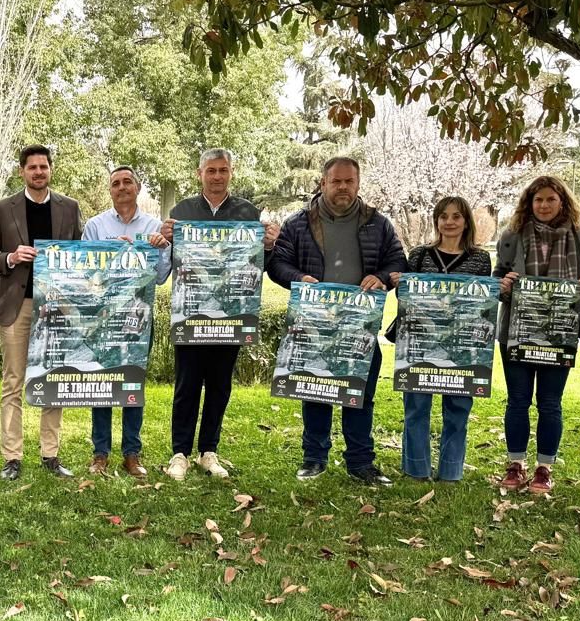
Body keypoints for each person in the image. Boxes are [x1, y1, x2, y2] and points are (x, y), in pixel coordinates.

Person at [269, 156, 408, 486]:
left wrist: (382, 276)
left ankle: (361, 462)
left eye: (349, 181)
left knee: (361, 395)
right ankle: (314, 459)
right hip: (315, 323)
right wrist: (298, 277)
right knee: (315, 389)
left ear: (358, 184)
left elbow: (397, 259)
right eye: (336, 181)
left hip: (361, 324)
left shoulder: (378, 222)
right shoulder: (299, 223)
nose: (343, 187)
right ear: (323, 183)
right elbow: (277, 263)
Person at [159, 149, 280, 480]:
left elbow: (261, 268)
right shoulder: (181, 211)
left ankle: (208, 452)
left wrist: (268, 245)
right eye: (211, 171)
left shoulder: (248, 212)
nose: (217, 176)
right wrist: (166, 239)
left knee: (219, 385)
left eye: (222, 170)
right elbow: (170, 263)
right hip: (192, 314)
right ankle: (179, 453)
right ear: (200, 174)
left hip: (231, 316)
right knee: (187, 385)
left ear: (231, 172)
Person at [494, 175, 580, 495]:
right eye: (537, 200)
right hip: (516, 330)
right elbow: (497, 277)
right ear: (529, 203)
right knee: (517, 400)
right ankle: (515, 463)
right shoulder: (512, 236)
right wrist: (503, 284)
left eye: (550, 199)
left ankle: (544, 468)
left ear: (562, 202)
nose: (543, 205)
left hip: (560, 334)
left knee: (550, 403)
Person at [0, 144, 84, 480]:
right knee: (13, 381)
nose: (38, 172)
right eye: (32, 167)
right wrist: (11, 257)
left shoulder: (69, 208)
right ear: (22, 171)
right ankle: (12, 457)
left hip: (55, 308)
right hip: (18, 305)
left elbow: (79, 255)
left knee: (53, 380)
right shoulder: (3, 208)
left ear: (50, 169)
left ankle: (50, 454)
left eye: (44, 167)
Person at [394, 196, 493, 483]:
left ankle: (451, 470)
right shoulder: (419, 255)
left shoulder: (480, 258)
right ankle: (416, 468)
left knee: (458, 409)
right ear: (436, 220)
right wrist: (402, 285)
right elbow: (405, 298)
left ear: (466, 222)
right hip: (419, 342)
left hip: (462, 345)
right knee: (416, 407)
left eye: (456, 216)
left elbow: (481, 304)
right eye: (443, 216)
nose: (449, 222)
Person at [82, 165, 172, 477]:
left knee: (133, 383)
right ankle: (100, 453)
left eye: (127, 182)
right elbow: (88, 277)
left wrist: (158, 251)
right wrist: (113, 254)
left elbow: (160, 277)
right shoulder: (95, 226)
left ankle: (132, 454)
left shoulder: (154, 225)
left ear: (138, 187)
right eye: (116, 183)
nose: (122, 187)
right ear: (110, 190)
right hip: (104, 320)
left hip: (139, 319)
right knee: (102, 384)